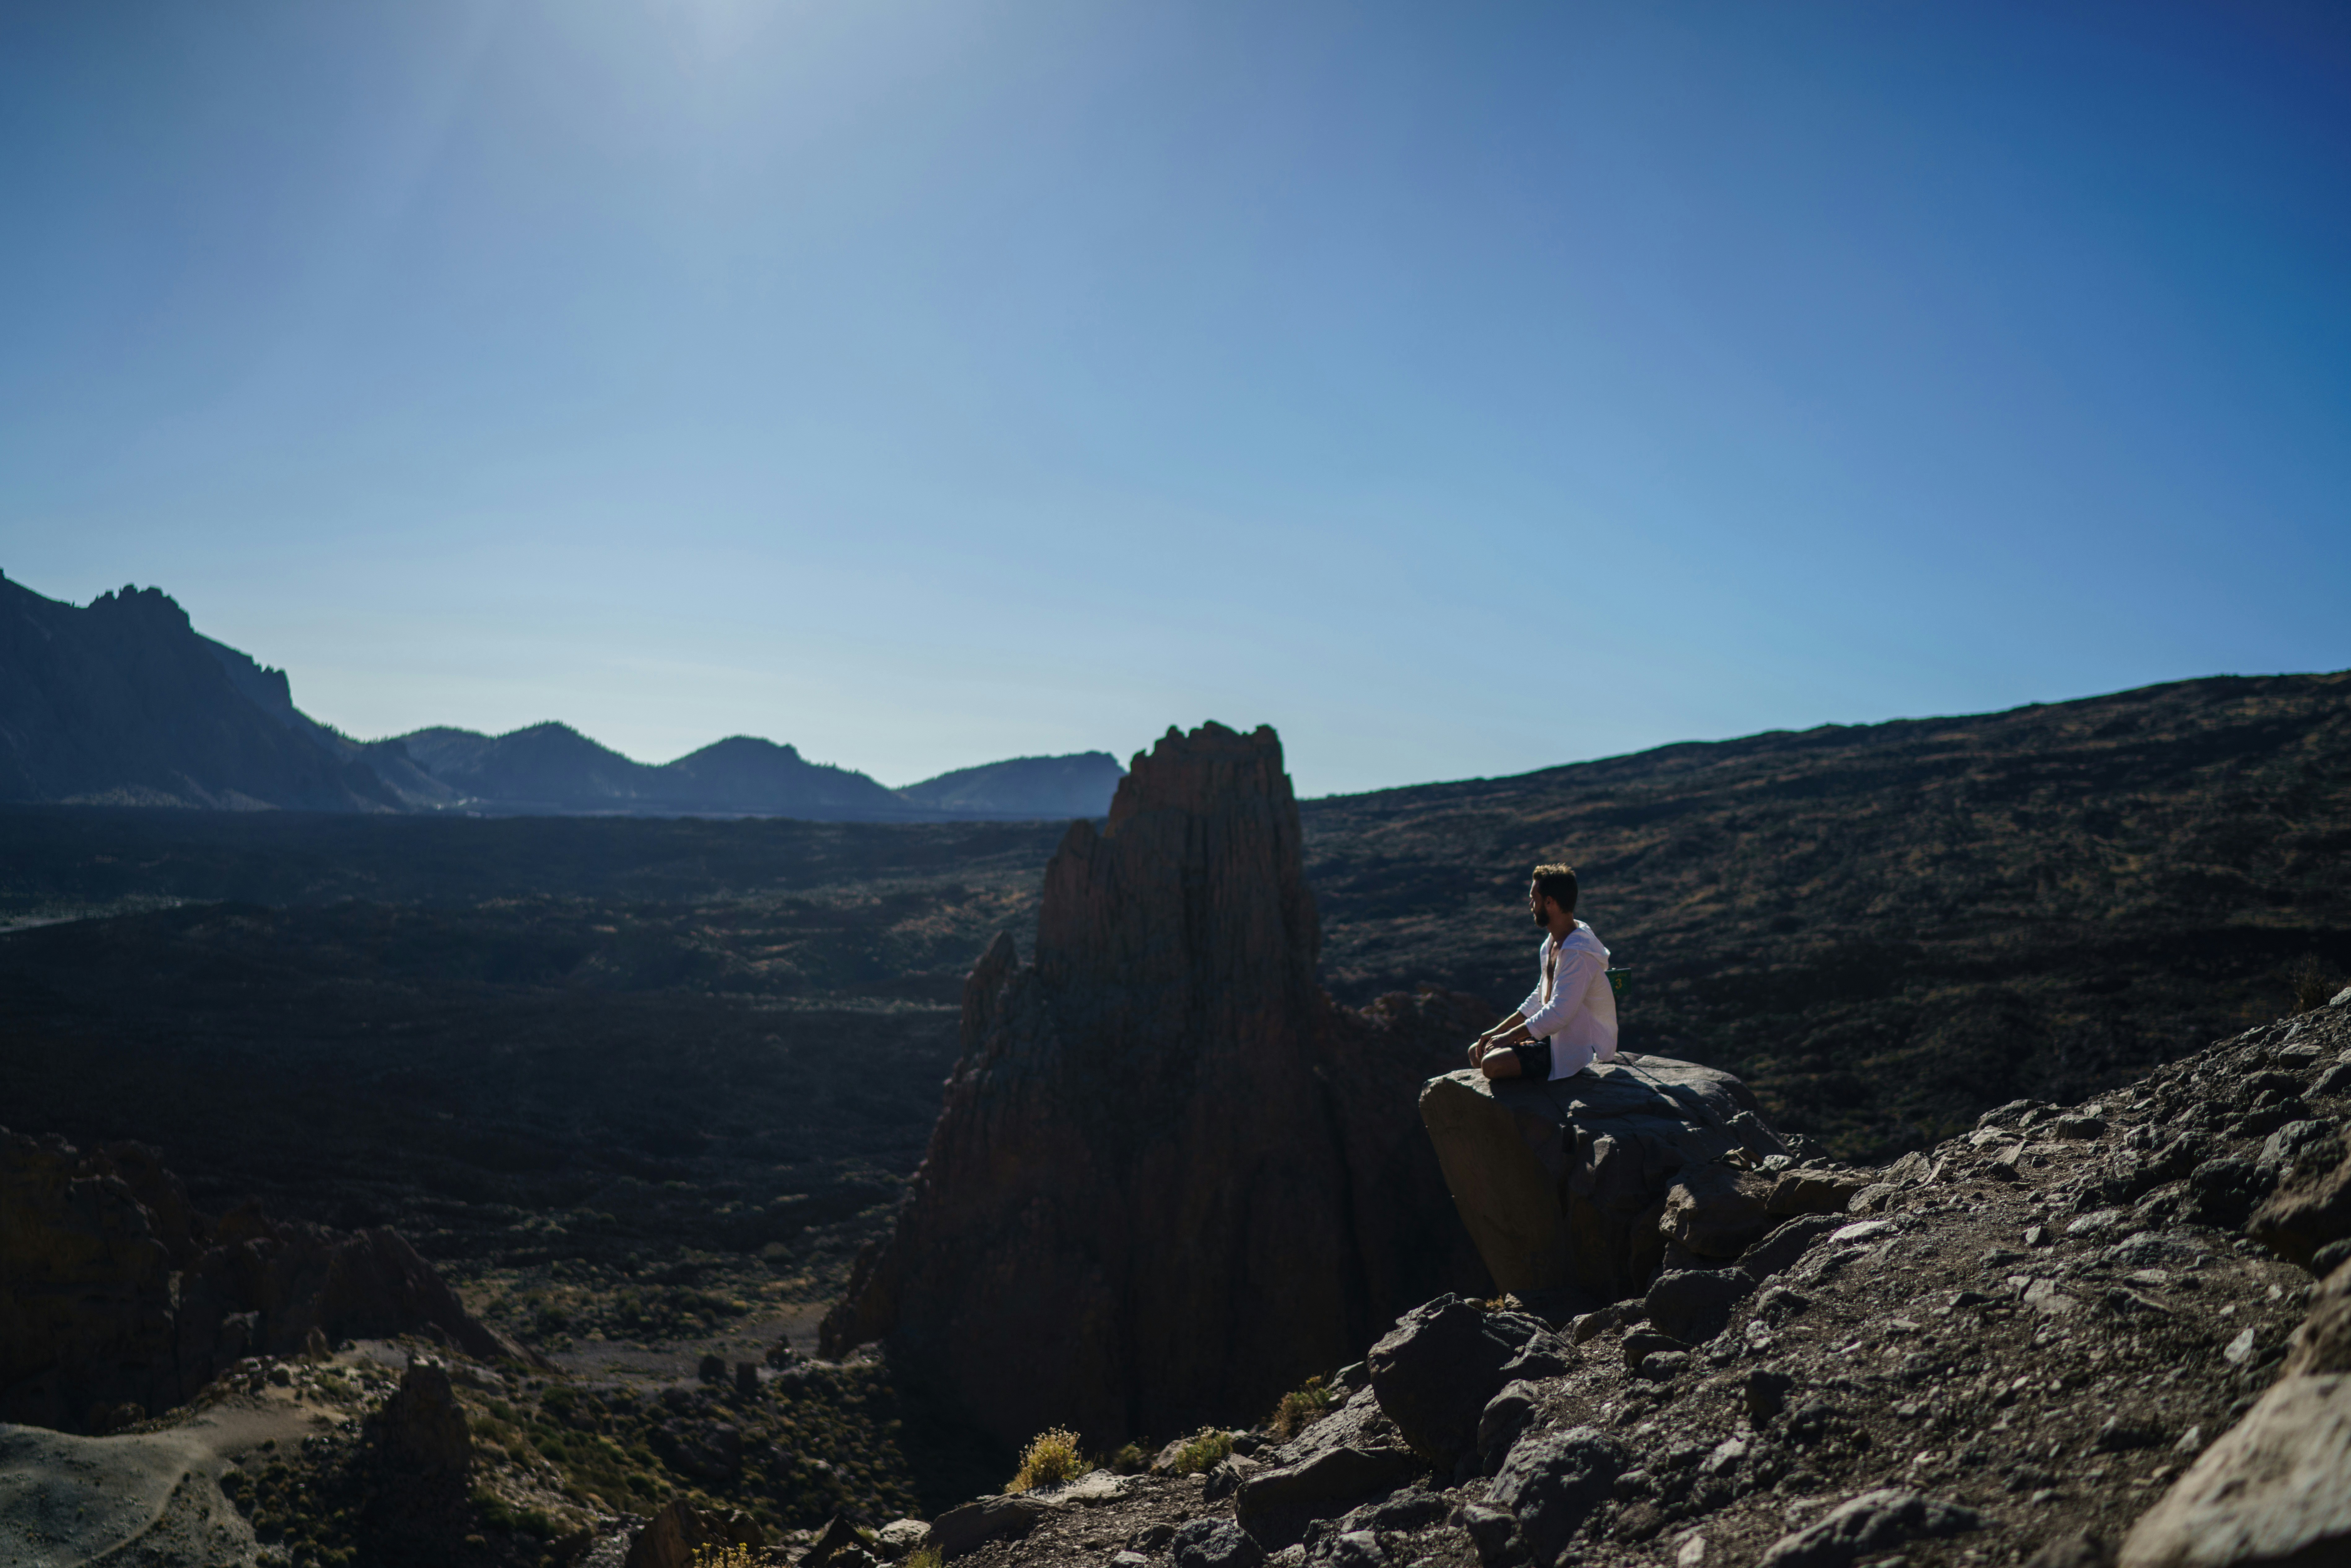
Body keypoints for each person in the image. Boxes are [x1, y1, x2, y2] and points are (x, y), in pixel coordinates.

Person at [1466, 863, 1619, 1081]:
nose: (1531, 904)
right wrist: (1496, 1032)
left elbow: (1559, 1013)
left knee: (1491, 1064)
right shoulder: (1552, 943)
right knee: (1477, 1051)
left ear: (1550, 902)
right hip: (1546, 1036)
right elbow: (1541, 996)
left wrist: (1509, 1037)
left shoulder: (1577, 954)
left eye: (1534, 898)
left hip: (1568, 1047)